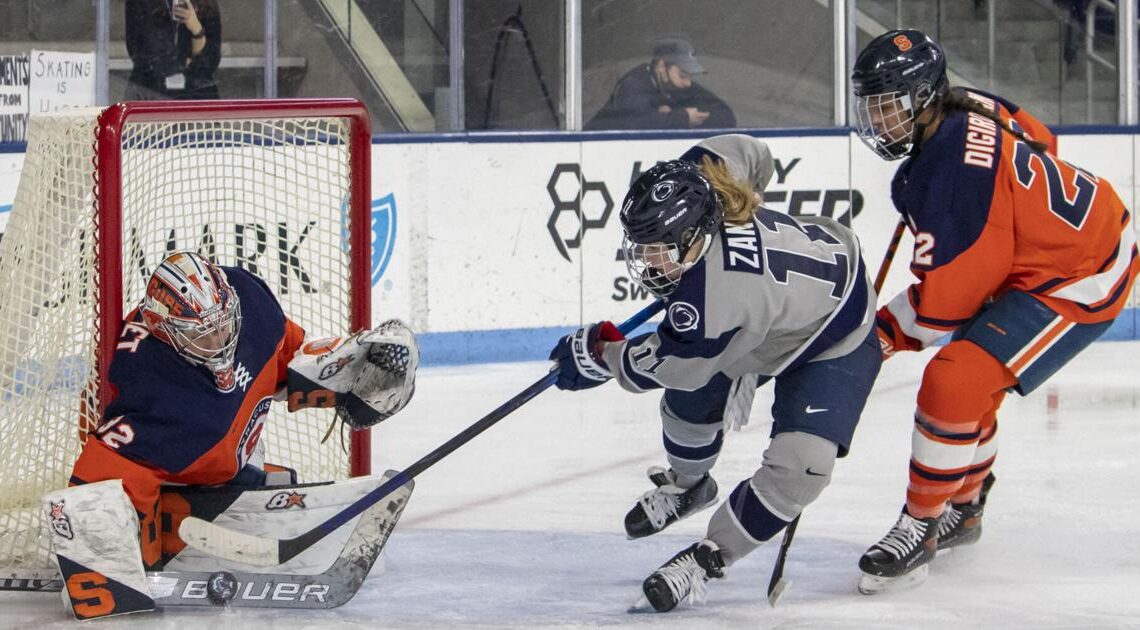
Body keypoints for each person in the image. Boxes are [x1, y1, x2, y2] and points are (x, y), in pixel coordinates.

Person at [851, 29, 1137, 594]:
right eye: (872, 106)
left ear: (924, 99)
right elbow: (1042, 139)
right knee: (971, 374)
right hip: (1059, 249)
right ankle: (966, 507)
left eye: (887, 107)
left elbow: (938, 312)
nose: (876, 121)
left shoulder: (955, 180)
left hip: (1082, 274)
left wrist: (881, 333)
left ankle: (923, 523)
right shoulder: (970, 102)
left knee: (954, 377)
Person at [547, 134, 881, 612]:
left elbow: (667, 367)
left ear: (693, 237)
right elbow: (750, 150)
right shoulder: (700, 180)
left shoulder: (713, 301)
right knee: (692, 405)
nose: (646, 260)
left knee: (801, 466)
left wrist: (600, 356)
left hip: (837, 338)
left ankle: (707, 558)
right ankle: (688, 487)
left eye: (660, 248)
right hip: (769, 319)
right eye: (642, 246)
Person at [66, 252, 418, 572]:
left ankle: (234, 485)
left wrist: (343, 371)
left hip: (226, 447)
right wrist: (106, 564)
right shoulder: (156, 393)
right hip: (166, 461)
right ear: (168, 333)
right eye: (203, 335)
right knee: (141, 500)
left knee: (263, 476)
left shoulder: (248, 298)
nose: (220, 340)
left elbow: (283, 354)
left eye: (224, 323)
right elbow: (106, 470)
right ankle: (174, 507)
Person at [586, 37, 736, 130]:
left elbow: (725, 115)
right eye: (683, 75)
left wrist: (673, 116)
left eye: (689, 76)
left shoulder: (680, 85)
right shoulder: (633, 83)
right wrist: (682, 117)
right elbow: (637, 125)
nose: (688, 83)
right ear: (661, 67)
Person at [125, 0, 222, 100]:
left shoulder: (206, 4)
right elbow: (140, 53)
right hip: (152, 91)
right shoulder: (140, 3)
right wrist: (184, 62)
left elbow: (210, 61)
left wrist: (196, 27)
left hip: (196, 94)